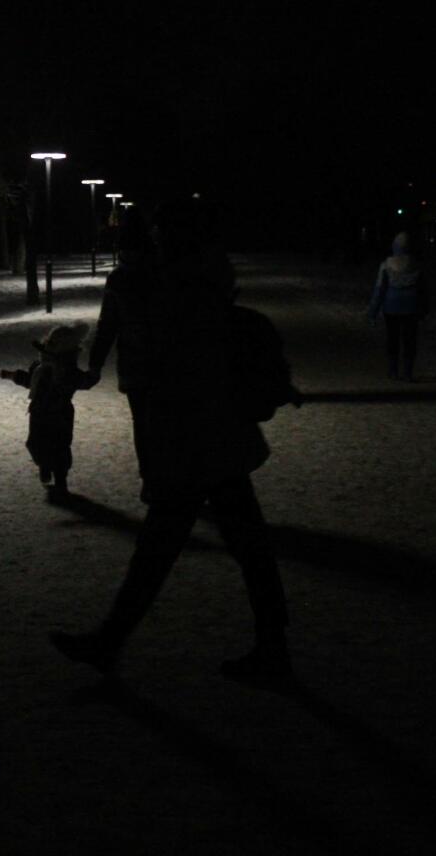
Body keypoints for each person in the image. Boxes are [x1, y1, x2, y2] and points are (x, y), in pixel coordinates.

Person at [51, 198, 291, 685]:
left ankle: (111, 642)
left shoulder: (177, 288)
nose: (155, 240)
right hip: (213, 440)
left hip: (196, 440)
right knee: (235, 547)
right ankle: (270, 647)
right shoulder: (196, 282)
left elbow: (178, 355)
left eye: (161, 233)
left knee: (172, 548)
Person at [1, 322, 96, 500]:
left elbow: (83, 381)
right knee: (35, 443)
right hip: (38, 412)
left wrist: (93, 374)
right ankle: (44, 464)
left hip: (61, 413)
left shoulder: (67, 372)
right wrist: (12, 375)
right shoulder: (40, 368)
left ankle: (60, 480)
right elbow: (29, 380)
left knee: (60, 447)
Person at [368, 231, 429, 380]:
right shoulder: (416, 265)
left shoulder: (386, 265)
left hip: (391, 307)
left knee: (392, 339)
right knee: (410, 340)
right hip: (411, 307)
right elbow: (423, 290)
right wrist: (424, 308)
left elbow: (380, 289)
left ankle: (393, 370)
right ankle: (408, 372)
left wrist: (373, 311)